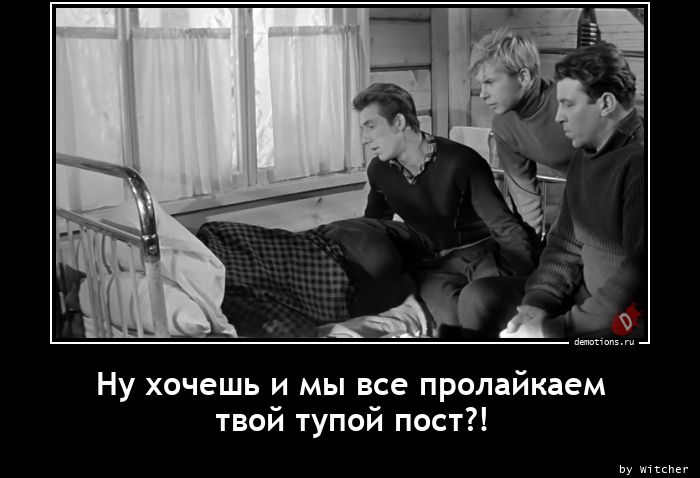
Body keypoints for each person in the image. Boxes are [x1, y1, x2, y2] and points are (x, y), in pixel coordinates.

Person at [460, 41, 645, 339]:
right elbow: (565, 244)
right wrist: (538, 302)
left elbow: (636, 281)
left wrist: (554, 328)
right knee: (479, 298)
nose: (559, 116)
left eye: (568, 104)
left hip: (627, 317)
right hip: (585, 294)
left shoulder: (639, 164)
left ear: (606, 104)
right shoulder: (584, 156)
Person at [353, 83, 536, 332]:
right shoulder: (379, 170)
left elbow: (504, 226)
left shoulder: (460, 161)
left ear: (398, 122)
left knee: (483, 311)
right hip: (435, 266)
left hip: (483, 252)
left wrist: (531, 283)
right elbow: (373, 226)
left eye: (370, 126)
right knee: (448, 326)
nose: (364, 139)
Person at [197, 216, 425, 338]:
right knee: (433, 239)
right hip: (345, 236)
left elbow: (296, 330)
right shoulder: (209, 235)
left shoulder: (227, 301)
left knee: (430, 290)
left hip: (353, 280)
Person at [471, 28, 576, 238]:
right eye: (480, 84)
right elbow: (524, 193)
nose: (482, 94)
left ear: (523, 77)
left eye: (489, 82)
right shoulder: (504, 126)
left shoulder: (566, 103)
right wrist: (531, 244)